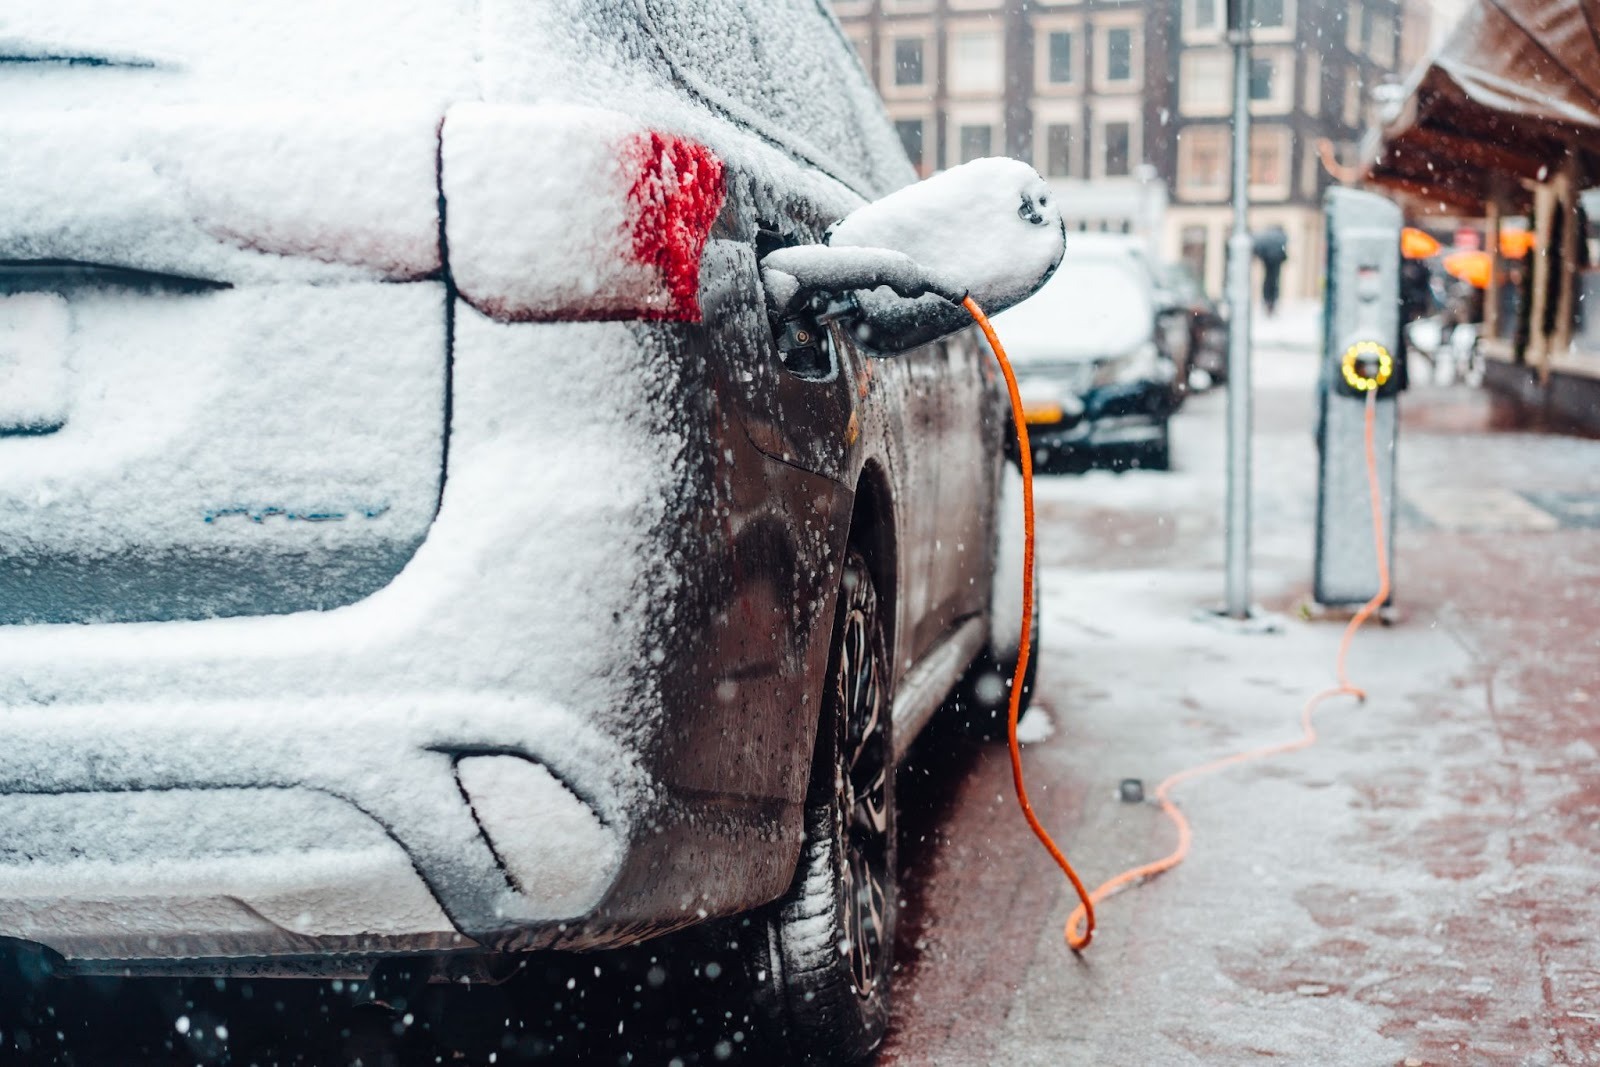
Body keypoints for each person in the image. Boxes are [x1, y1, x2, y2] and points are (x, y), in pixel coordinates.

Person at [1253, 225, 1288, 317]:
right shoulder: (1280, 238)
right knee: (1274, 282)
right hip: (1275, 264)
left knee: (1268, 282)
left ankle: (1268, 303)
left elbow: (1259, 249)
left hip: (1268, 263)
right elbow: (1283, 250)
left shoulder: (1266, 239)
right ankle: (1271, 304)